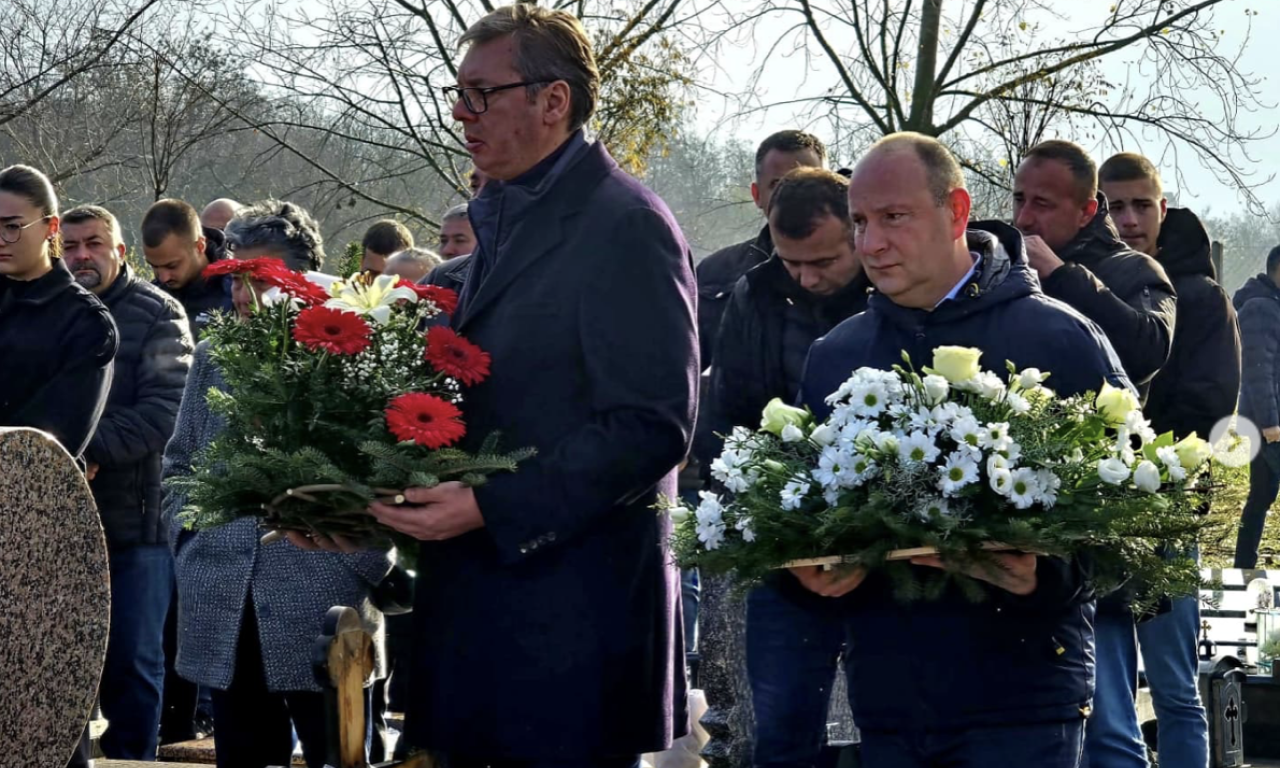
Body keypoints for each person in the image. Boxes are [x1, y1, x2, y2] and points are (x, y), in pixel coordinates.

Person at [294, 6, 697, 766]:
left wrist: (488, 505)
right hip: (482, 622)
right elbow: (478, 409)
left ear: (554, 102)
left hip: (571, 637)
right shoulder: (508, 215)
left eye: (482, 93)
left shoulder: (625, 224)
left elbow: (651, 424)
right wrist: (369, 505)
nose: (459, 112)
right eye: (458, 90)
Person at [795, 132, 1129, 767]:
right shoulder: (835, 356)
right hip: (889, 706)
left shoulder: (1060, 340)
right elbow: (802, 521)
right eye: (860, 222)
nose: (871, 243)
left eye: (894, 217)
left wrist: (1048, 573)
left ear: (956, 212)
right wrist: (809, 575)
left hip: (1023, 705)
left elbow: (1138, 529)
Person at [163, 199, 392, 768]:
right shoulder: (213, 355)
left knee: (339, 756)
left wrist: (358, 564)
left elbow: (394, 475)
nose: (242, 293)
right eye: (236, 276)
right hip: (224, 604)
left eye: (258, 278)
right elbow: (178, 465)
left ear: (303, 276)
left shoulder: (355, 350)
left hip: (327, 606)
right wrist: (192, 541)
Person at [1012, 141, 1178, 768]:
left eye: (1044, 204)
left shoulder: (1136, 272)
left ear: (1087, 209)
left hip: (1099, 525)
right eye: (1020, 200)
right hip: (1025, 521)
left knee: (1110, 726)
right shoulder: (1007, 268)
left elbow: (1144, 347)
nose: (1026, 218)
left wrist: (1059, 274)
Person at [701, 167, 869, 767]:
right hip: (782, 536)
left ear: (858, 232)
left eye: (823, 261)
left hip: (880, 535)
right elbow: (732, 416)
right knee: (777, 727)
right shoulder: (757, 291)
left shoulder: (890, 290)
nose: (807, 277)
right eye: (792, 261)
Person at [1099, 152, 1240, 768]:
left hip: (1168, 509)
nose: (1127, 219)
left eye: (1138, 205)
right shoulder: (1090, 284)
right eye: (1113, 205)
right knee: (1107, 695)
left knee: (1176, 687)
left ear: (1163, 207)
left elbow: (1213, 405)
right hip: (1097, 508)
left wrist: (1141, 448)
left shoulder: (1203, 298)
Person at [61, 204, 194, 760]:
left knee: (133, 666)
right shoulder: (49, 310)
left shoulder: (159, 313)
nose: (82, 255)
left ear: (121, 251)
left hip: (135, 525)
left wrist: (83, 450)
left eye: (93, 243)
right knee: (57, 667)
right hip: (56, 520)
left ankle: (135, 760)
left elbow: (168, 411)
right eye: (70, 246)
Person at [0, 166, 118, 768]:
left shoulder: (85, 322)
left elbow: (55, 437)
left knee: (38, 719)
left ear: (48, 228)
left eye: (10, 226)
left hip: (36, 541)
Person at [695, 130, 826, 368]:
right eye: (778, 184)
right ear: (757, 195)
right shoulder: (714, 273)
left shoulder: (861, 269)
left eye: (806, 181)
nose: (792, 194)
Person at [1235, 245, 1280, 568]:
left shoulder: (1271, 305)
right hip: (1268, 423)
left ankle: (1243, 566)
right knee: (1260, 497)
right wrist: (1270, 423)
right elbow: (1257, 368)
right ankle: (1243, 566)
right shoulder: (1261, 308)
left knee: (1261, 496)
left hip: (1266, 421)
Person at [143, 198, 234, 338]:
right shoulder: (147, 300)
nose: (163, 277)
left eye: (172, 266)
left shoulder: (238, 291)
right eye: (154, 266)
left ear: (199, 246)